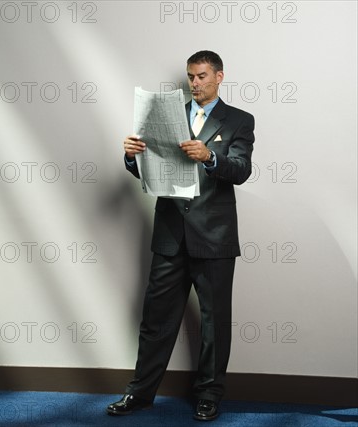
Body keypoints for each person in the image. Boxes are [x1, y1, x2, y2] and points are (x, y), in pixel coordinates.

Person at [106, 50, 255, 421]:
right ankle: (139, 394)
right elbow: (151, 169)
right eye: (191, 77)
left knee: (213, 323)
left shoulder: (239, 120)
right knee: (156, 319)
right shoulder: (166, 116)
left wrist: (209, 157)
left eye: (202, 76)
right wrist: (132, 156)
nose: (195, 83)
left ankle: (209, 395)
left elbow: (240, 170)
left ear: (220, 76)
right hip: (171, 234)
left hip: (214, 236)